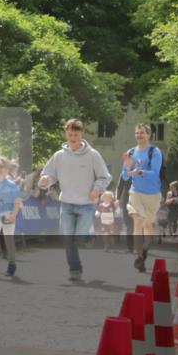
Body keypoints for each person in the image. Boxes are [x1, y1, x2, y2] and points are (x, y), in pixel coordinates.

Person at [39, 119, 112, 281]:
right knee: (68, 238)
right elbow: (49, 175)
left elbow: (105, 176)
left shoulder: (93, 155)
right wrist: (45, 180)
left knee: (79, 239)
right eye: (70, 134)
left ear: (82, 134)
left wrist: (97, 189)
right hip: (66, 203)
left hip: (86, 204)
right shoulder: (58, 156)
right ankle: (75, 268)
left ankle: (89, 234)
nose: (72, 137)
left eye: (76, 134)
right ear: (66, 133)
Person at [121, 123, 164, 272]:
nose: (139, 135)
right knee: (137, 221)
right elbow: (125, 175)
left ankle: (145, 250)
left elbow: (155, 172)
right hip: (136, 192)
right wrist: (128, 169)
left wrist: (139, 172)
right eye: (137, 133)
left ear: (149, 135)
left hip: (152, 194)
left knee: (148, 226)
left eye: (142, 133)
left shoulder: (154, 151)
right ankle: (139, 257)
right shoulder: (131, 152)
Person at [0, 156, 23, 277]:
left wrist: (14, 215)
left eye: (0, 172)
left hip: (9, 214)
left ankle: (12, 264)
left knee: (8, 240)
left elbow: (18, 202)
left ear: (6, 171)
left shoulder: (12, 185)